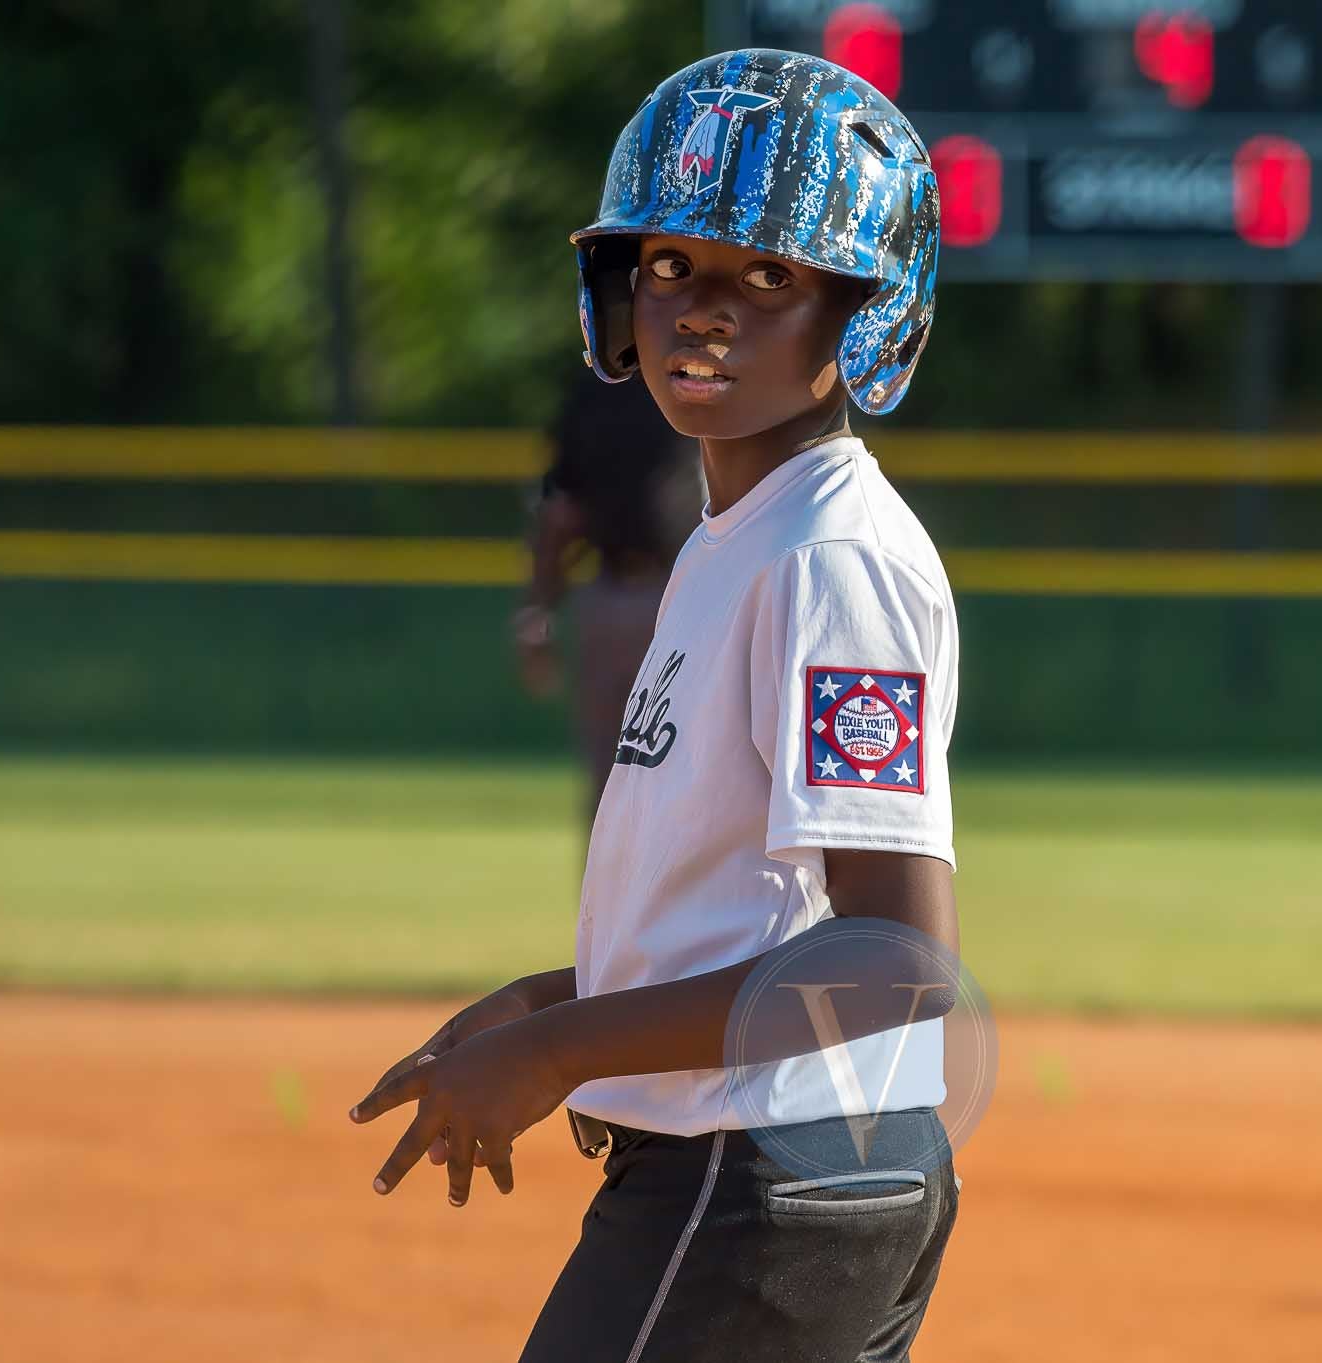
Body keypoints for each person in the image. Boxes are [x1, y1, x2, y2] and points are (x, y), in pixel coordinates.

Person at [351, 50, 959, 1363]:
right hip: (762, 1171)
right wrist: (549, 998)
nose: (703, 309)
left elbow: (892, 961)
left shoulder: (825, 556)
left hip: (756, 1182)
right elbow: (754, 914)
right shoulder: (740, 534)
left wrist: (563, 1046)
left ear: (867, 309)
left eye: (771, 275)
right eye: (673, 264)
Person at [514, 368, 700, 822]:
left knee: (690, 772)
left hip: (681, 597)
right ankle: (610, 894)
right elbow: (560, 509)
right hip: (612, 595)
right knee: (610, 776)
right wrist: (537, 613)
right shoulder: (594, 394)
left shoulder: (698, 384)